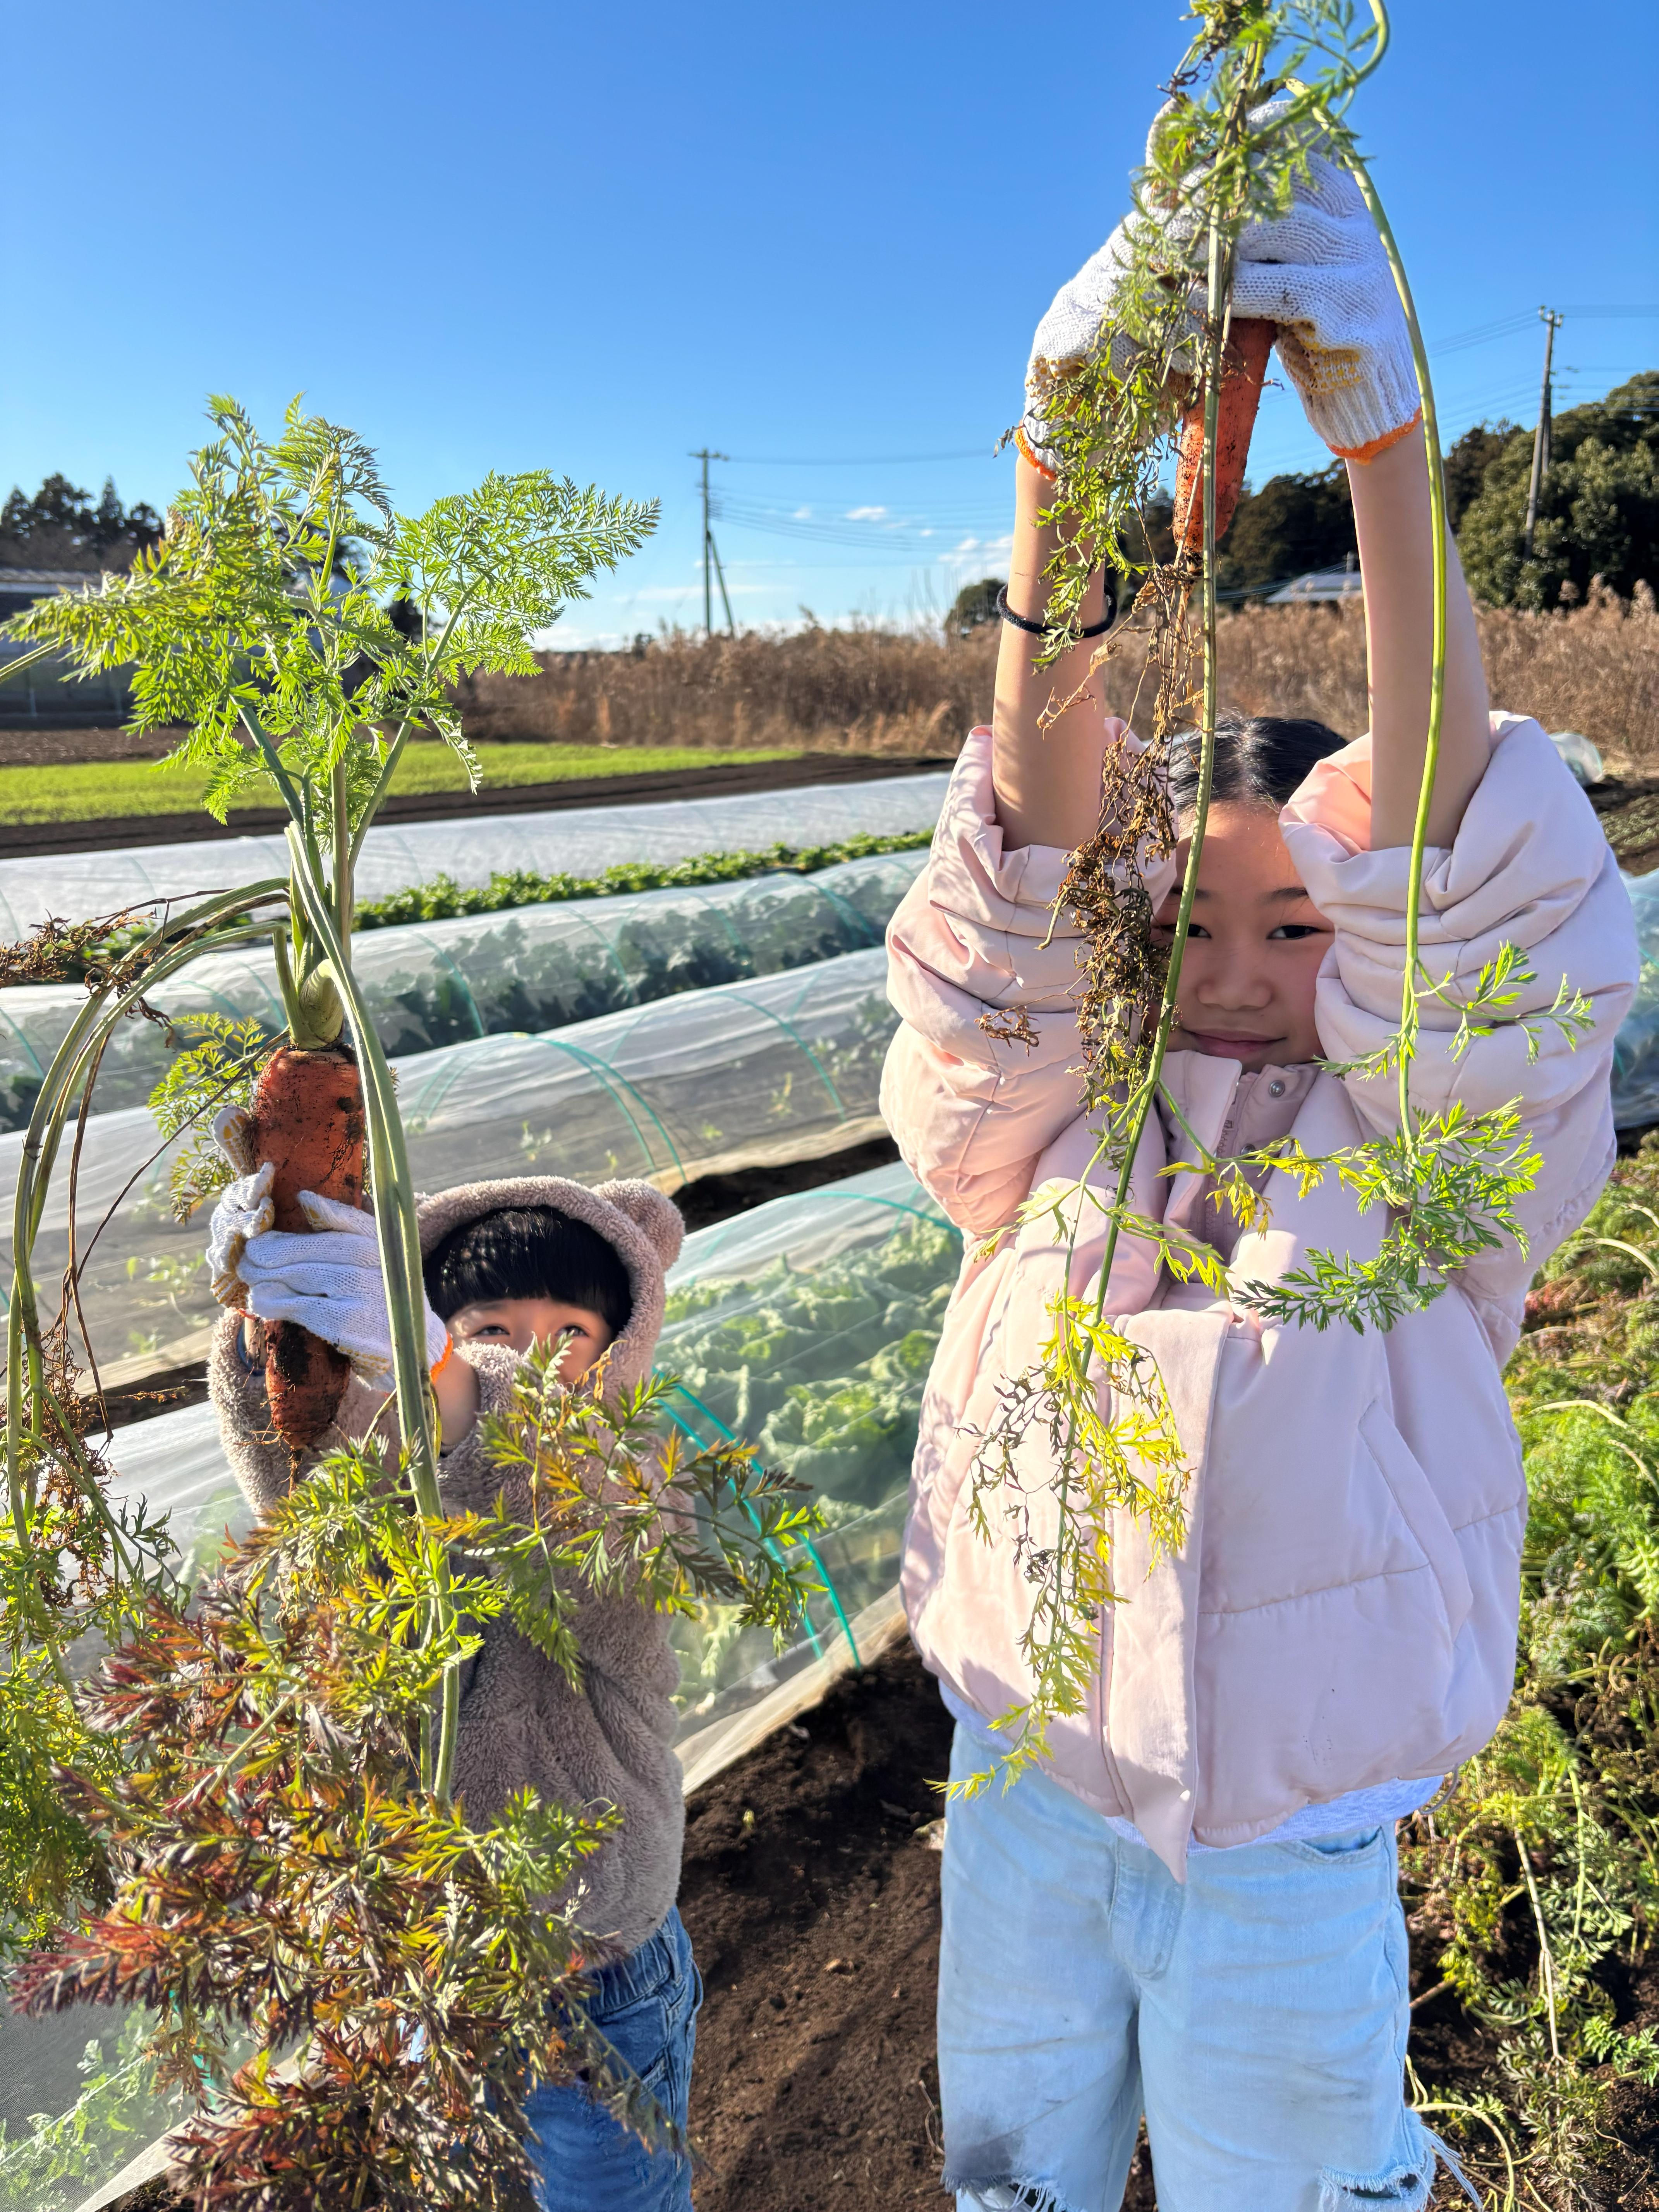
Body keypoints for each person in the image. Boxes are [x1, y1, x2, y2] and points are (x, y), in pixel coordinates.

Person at [879, 108, 1641, 2212]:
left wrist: (1381, 446)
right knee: (1009, 2181)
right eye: (1189, 926)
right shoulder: (1051, 1109)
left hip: (1287, 1839)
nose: (1231, 974)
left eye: (1291, 930)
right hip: (1020, 1778)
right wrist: (1057, 473)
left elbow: (1447, 840)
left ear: (1360, 932)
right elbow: (1030, 845)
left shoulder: (1426, 1140)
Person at [204, 1163, 700, 2212]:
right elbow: (306, 1505)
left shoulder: (636, 1470)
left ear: (619, 1348)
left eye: (571, 1335)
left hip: (592, 1968)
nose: (527, 1359)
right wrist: (271, 1349)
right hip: (431, 1956)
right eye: (487, 1329)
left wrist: (464, 1388)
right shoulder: (403, 1457)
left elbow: (610, 1573)